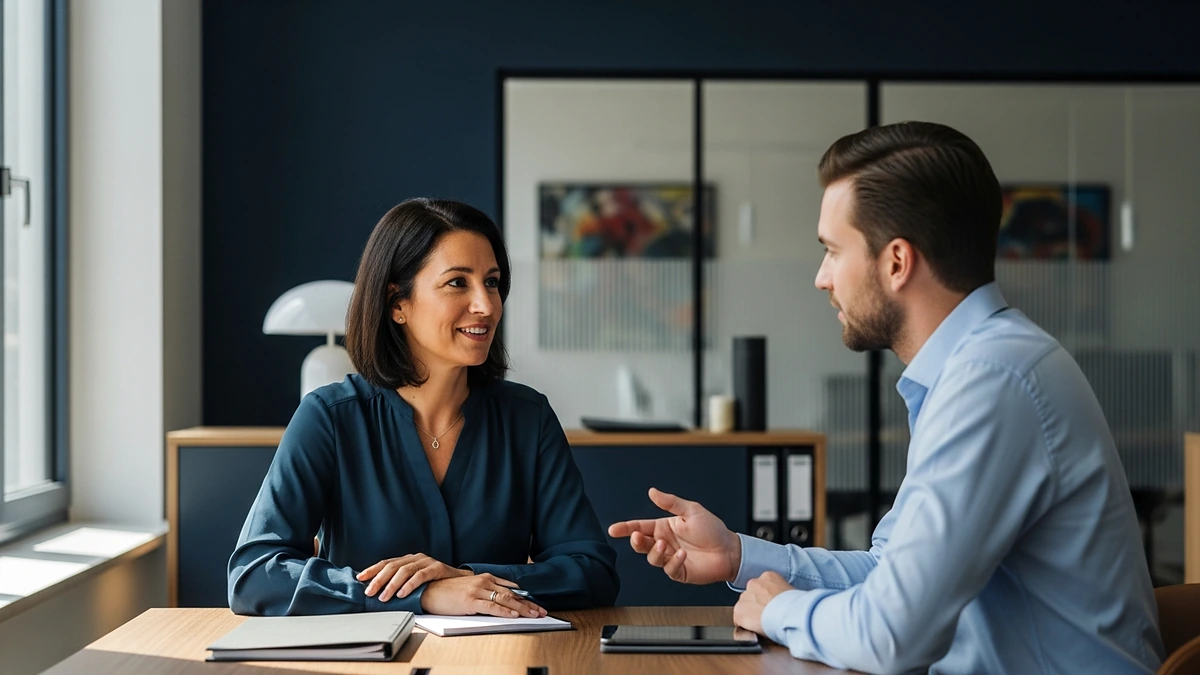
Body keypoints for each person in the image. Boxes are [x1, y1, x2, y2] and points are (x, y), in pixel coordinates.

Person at [609, 122, 1163, 674]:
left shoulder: (993, 381)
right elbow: (890, 574)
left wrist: (780, 609)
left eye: (831, 250)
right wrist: (738, 555)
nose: (822, 278)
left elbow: (892, 635)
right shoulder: (976, 369)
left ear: (896, 262)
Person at [229, 198, 619, 617]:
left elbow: (591, 571)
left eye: (492, 282)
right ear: (398, 302)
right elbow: (253, 574)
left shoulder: (528, 418)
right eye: (458, 283)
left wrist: (468, 581)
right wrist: (423, 595)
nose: (486, 306)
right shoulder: (329, 416)